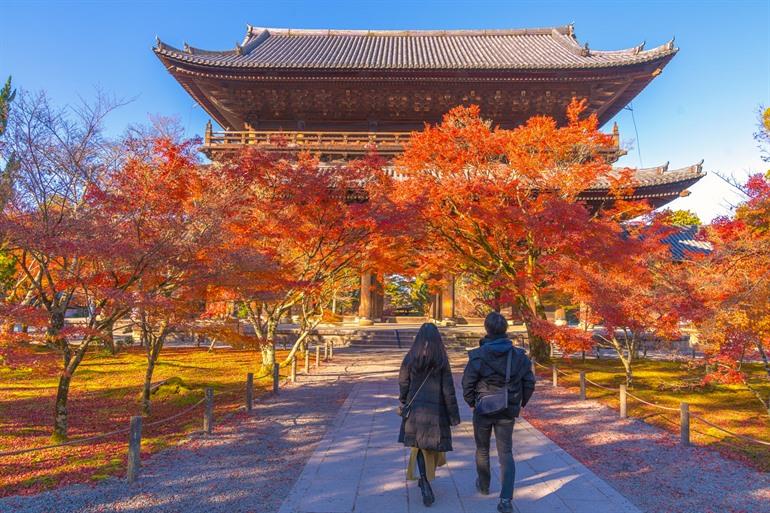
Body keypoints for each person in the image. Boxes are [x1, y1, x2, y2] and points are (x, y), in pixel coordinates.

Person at [462, 312, 536, 513]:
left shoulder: (478, 355)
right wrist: (520, 403)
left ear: (486, 329)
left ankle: (484, 485)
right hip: (507, 408)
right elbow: (529, 382)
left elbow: (467, 383)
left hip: (484, 407)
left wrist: (471, 402)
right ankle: (505, 499)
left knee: (482, 449)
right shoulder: (519, 356)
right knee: (506, 452)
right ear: (506, 330)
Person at [398, 322, 461, 507]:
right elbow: (448, 389)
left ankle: (424, 479)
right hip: (436, 409)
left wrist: (403, 400)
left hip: (415, 408)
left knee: (417, 444)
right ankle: (425, 480)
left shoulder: (410, 358)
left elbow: (403, 382)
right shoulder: (441, 360)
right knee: (430, 445)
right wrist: (453, 415)